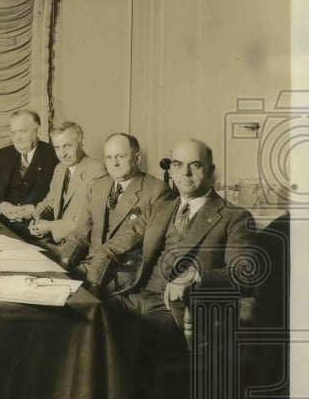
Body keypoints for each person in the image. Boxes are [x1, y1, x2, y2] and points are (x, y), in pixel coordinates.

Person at [86, 138, 257, 355]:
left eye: (195, 165)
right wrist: (91, 289)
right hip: (137, 295)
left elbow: (245, 274)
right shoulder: (161, 207)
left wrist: (196, 277)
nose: (185, 172)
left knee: (129, 339)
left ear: (210, 170)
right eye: (178, 164)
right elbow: (114, 246)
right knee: (87, 322)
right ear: (172, 170)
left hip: (178, 308)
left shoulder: (234, 217)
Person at [59, 132, 170, 289]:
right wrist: (63, 264)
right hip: (89, 266)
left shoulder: (157, 191)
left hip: (121, 274)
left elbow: (132, 241)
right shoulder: (98, 186)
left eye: (120, 157)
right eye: (109, 158)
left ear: (137, 158)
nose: (114, 163)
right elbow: (80, 233)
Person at [28, 121, 105, 245]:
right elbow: (51, 201)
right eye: (57, 147)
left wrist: (49, 226)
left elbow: (86, 220)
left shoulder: (97, 170)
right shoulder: (60, 168)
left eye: (67, 146)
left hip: (82, 243)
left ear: (81, 143)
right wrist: (37, 217)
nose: (62, 154)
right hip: (59, 240)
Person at [0, 109, 59, 235]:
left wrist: (35, 210)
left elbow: (59, 198)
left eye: (23, 131)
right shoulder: (2, 155)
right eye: (14, 132)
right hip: (2, 225)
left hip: (36, 228)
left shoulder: (54, 156)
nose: (18, 138)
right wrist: (1, 206)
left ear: (38, 130)